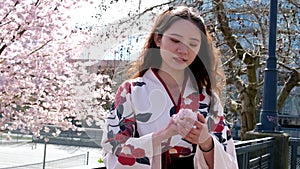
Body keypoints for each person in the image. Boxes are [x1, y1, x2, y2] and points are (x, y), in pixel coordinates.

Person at [101, 5, 239, 169]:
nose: (183, 50)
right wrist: (163, 136)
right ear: (158, 39)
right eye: (175, 40)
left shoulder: (208, 99)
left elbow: (229, 161)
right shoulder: (130, 92)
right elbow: (113, 149)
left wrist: (205, 141)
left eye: (193, 44)